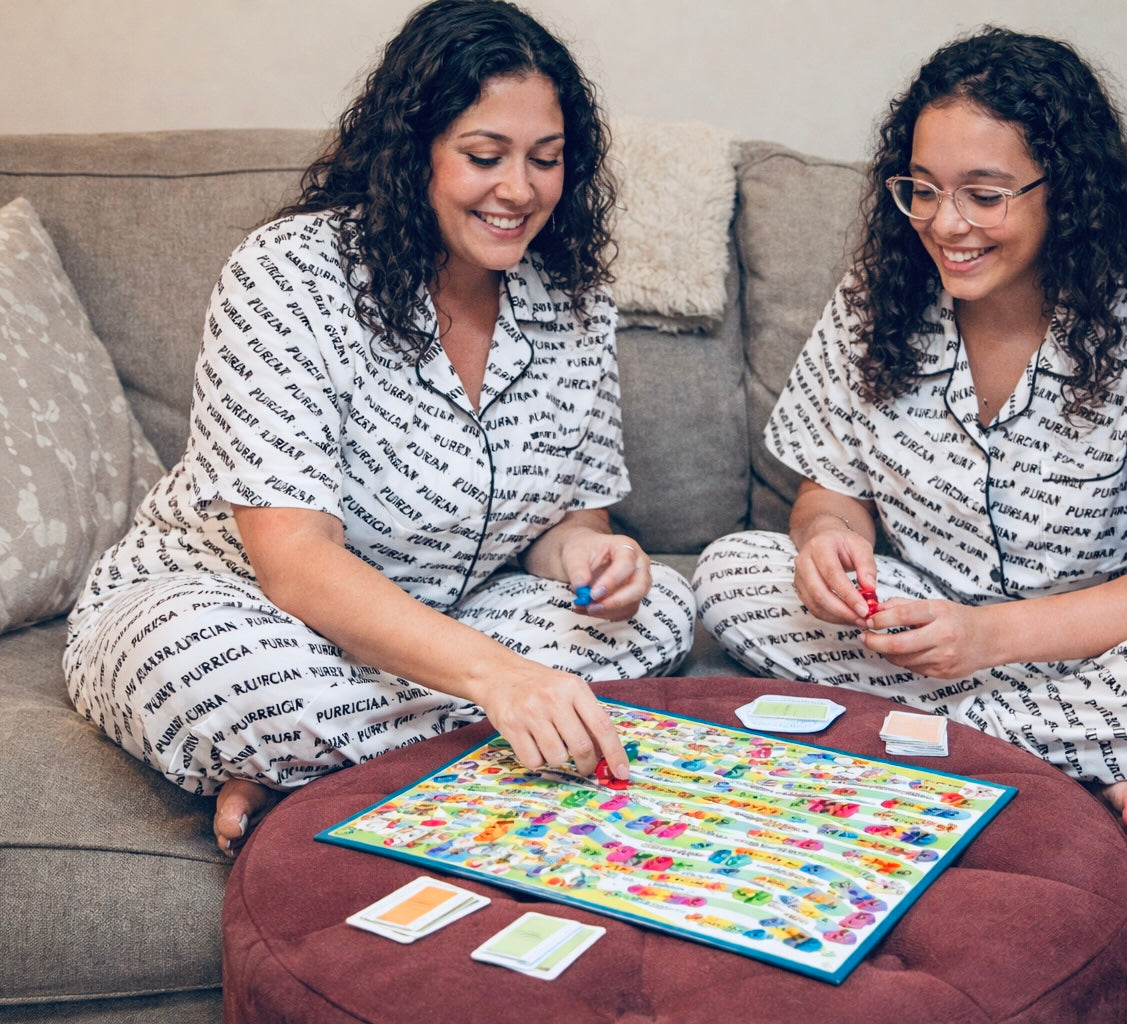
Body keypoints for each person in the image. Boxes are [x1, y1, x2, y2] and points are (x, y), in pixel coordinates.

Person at [692, 27, 1127, 861]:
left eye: (985, 194)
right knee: (729, 573)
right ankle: (1088, 758)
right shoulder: (874, 300)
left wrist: (987, 640)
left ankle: (951, 748)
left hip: (1116, 650)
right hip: (924, 631)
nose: (946, 224)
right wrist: (827, 538)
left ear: (1066, 192)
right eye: (924, 190)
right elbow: (828, 491)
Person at [64, 0, 694, 856]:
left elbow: (570, 521)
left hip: (449, 623)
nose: (520, 190)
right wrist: (501, 678)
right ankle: (461, 744)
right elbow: (294, 562)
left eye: (545, 160)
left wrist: (591, 557)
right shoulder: (292, 273)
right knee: (220, 679)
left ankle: (308, 768)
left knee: (661, 613)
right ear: (413, 152)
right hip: (237, 610)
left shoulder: (571, 300)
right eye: (484, 156)